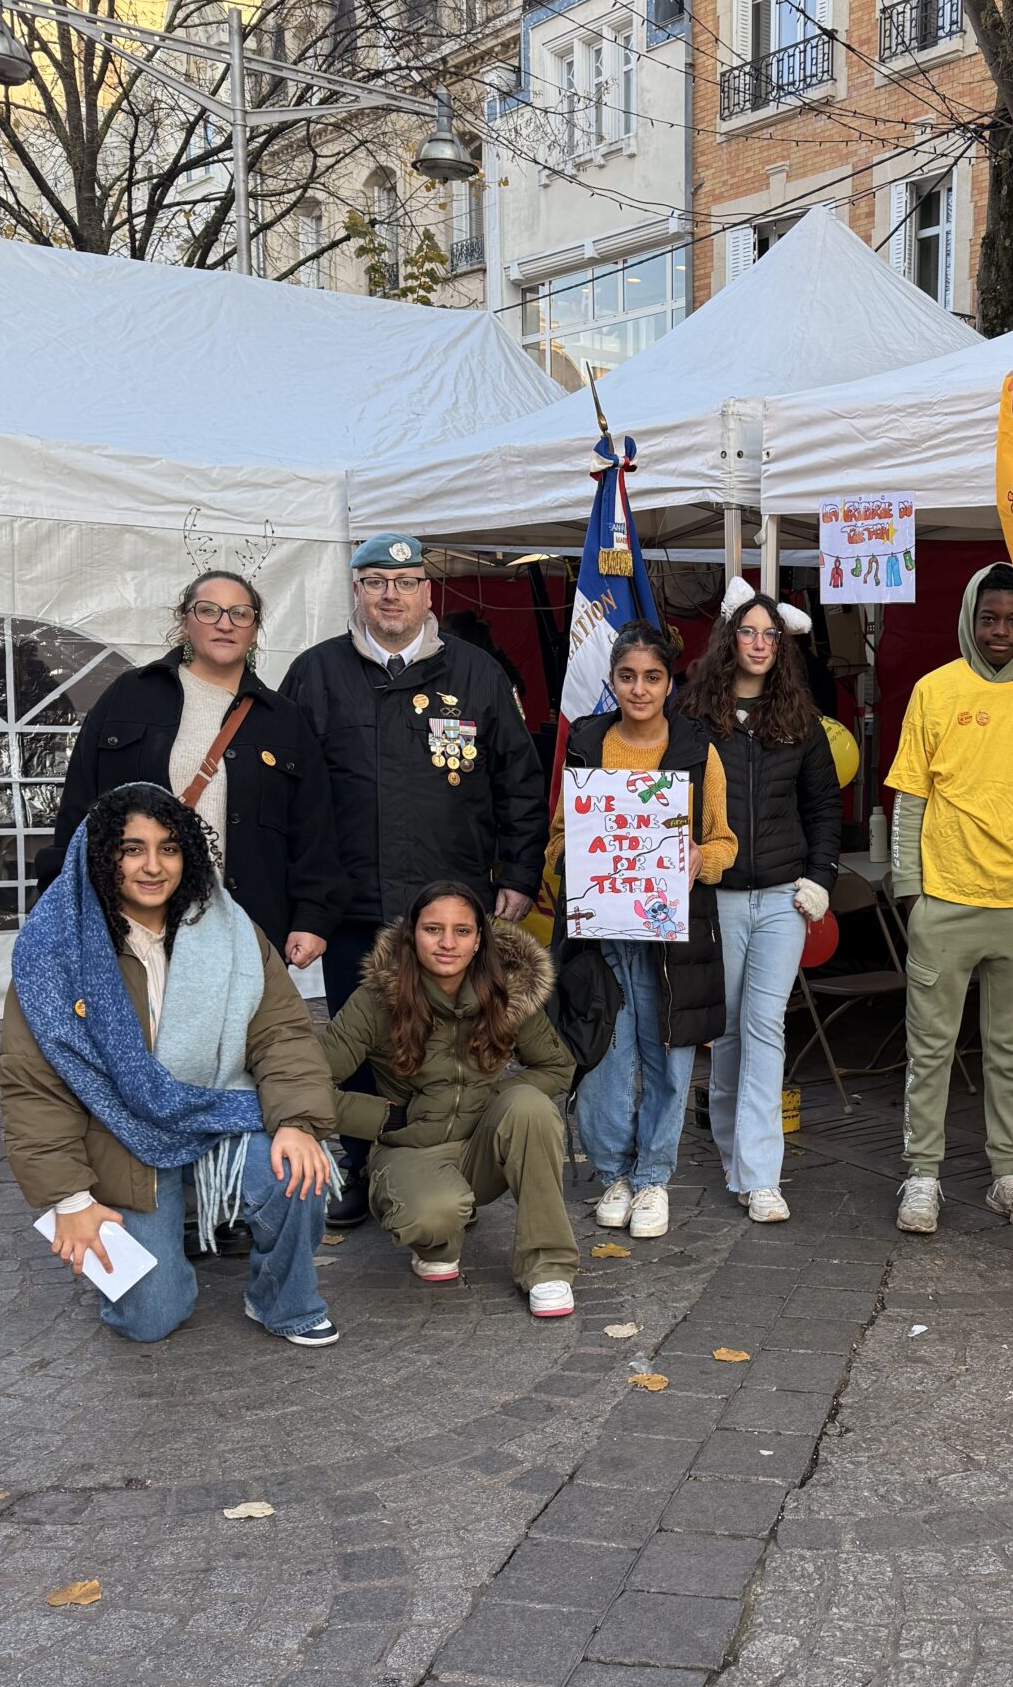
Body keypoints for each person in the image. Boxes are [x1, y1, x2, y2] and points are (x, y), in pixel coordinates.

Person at [0, 786, 340, 1346]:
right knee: (150, 1319)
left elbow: (281, 1033)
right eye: (132, 849)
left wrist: (298, 1122)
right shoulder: (52, 949)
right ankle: (158, 1244)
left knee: (298, 1170)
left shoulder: (230, 931)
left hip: (215, 1113)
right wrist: (71, 1200)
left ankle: (284, 1300)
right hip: (119, 1141)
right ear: (103, 855)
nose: (153, 866)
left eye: (169, 848)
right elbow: (34, 1088)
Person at [280, 532, 546, 1228]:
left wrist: (519, 870)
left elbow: (520, 781)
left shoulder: (479, 674)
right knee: (358, 1042)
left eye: (403, 582)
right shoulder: (315, 674)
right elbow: (287, 793)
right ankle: (363, 1163)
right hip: (353, 904)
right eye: (375, 583)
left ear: (428, 592)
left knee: (454, 1044)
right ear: (358, 592)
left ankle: (450, 1159)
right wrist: (301, 898)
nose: (390, 596)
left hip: (449, 908)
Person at [889, 562, 1013, 1234]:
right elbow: (910, 799)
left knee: (1009, 1054)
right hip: (946, 901)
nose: (1001, 631)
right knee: (930, 1053)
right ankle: (922, 1176)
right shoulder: (933, 692)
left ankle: (1006, 1173)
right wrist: (909, 891)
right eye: (989, 618)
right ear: (970, 617)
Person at [42, 570, 339, 969]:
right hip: (131, 922)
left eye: (240, 614)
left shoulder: (283, 719)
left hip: (244, 925)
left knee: (241, 1033)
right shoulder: (129, 696)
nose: (224, 623)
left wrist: (312, 918)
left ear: (254, 630)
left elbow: (313, 829)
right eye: (208, 610)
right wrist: (65, 904)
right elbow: (79, 808)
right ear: (184, 621)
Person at [321, 884, 580, 1318]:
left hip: (481, 1147)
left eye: (462, 931)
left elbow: (557, 1067)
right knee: (432, 1215)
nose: (447, 943)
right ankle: (438, 1243)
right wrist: (386, 1118)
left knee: (530, 1107)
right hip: (412, 1148)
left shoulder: (507, 992)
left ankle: (547, 1265)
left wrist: (491, 1100)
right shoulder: (377, 998)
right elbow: (309, 1083)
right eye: (433, 929)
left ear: (479, 939)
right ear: (411, 935)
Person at [556, 622, 736, 1240]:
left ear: (669, 683)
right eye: (627, 676)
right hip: (602, 931)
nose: (639, 689)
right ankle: (614, 1174)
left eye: (652, 677)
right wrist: (575, 858)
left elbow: (724, 841)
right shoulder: (586, 744)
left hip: (673, 935)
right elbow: (560, 837)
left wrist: (696, 860)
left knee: (669, 1053)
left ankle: (654, 1175)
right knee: (606, 1049)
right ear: (611, 681)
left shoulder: (696, 749)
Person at [678, 579, 843, 1222]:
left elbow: (825, 806)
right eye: (748, 632)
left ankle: (761, 1173)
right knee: (725, 1035)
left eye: (770, 635)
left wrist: (821, 877)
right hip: (716, 893)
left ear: (783, 647)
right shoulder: (695, 718)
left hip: (782, 895)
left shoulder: (799, 722)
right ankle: (732, 1150)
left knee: (765, 1026)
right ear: (729, 639)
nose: (759, 644)